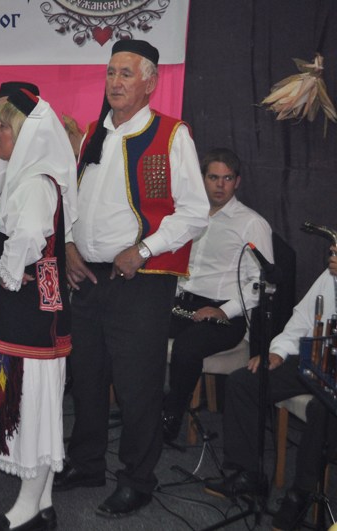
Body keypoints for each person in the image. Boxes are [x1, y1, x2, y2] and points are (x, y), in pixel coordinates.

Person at [57, 39, 210, 517]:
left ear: (150, 83)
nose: (115, 82)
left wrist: (143, 250)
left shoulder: (170, 135)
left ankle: (138, 479)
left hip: (141, 280)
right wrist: (68, 246)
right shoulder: (94, 133)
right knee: (86, 376)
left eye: (126, 73)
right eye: (111, 73)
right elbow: (74, 200)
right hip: (88, 276)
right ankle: (86, 462)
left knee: (136, 384)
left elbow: (195, 213)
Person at [0, 88, 76, 530]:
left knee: (35, 404)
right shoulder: (20, 177)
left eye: (3, 126)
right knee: (34, 402)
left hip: (32, 313)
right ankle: (41, 503)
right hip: (33, 307)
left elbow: (27, 237)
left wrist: (8, 271)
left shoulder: (33, 183)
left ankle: (28, 508)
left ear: (26, 134)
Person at [204, 252, 337, 531]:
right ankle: (248, 474)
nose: (332, 255)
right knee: (245, 382)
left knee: (322, 407)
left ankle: (301, 493)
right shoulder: (329, 277)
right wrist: (278, 351)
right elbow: (303, 319)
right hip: (319, 357)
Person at [162, 148, 273, 442]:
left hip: (226, 315)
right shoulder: (187, 215)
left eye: (227, 178)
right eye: (213, 177)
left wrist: (225, 310)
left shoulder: (252, 223)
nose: (220, 185)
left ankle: (170, 417)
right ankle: (144, 407)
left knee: (187, 347)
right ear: (202, 179)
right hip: (184, 304)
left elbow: (261, 283)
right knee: (139, 327)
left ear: (237, 181)